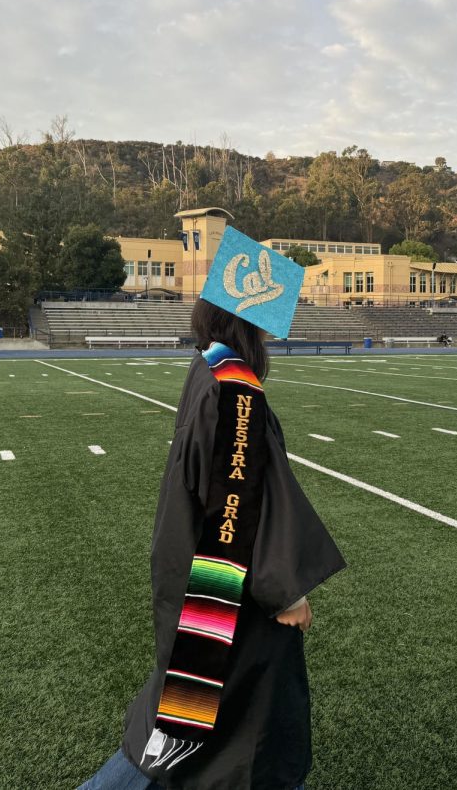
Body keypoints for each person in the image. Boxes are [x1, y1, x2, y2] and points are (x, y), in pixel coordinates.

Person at [80, 228, 346, 790]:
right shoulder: (235, 387)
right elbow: (236, 500)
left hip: (196, 566)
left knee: (188, 721)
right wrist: (285, 589)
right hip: (229, 592)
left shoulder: (209, 367)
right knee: (210, 726)